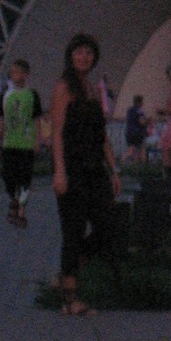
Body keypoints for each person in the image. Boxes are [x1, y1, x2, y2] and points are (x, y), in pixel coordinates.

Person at [50, 31, 121, 317]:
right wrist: (59, 172)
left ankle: (68, 272)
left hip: (95, 169)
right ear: (70, 56)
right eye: (79, 52)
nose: (84, 57)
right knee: (74, 230)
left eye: (89, 53)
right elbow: (56, 133)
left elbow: (102, 135)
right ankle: (71, 297)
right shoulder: (63, 87)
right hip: (72, 168)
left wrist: (114, 169)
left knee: (108, 227)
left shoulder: (91, 88)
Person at [0, 58, 41, 227]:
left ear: (26, 74)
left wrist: (38, 140)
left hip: (26, 143)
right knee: (8, 175)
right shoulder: (5, 95)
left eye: (18, 72)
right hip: (9, 142)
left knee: (25, 176)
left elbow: (36, 119)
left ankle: (21, 209)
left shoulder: (32, 95)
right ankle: (13, 199)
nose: (15, 75)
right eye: (13, 72)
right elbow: (0, 118)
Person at [122, 93, 148, 163]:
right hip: (137, 133)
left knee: (131, 148)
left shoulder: (129, 110)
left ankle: (124, 159)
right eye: (142, 102)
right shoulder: (140, 110)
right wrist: (147, 122)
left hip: (128, 132)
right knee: (142, 147)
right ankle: (143, 163)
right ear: (139, 102)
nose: (142, 104)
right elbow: (142, 122)